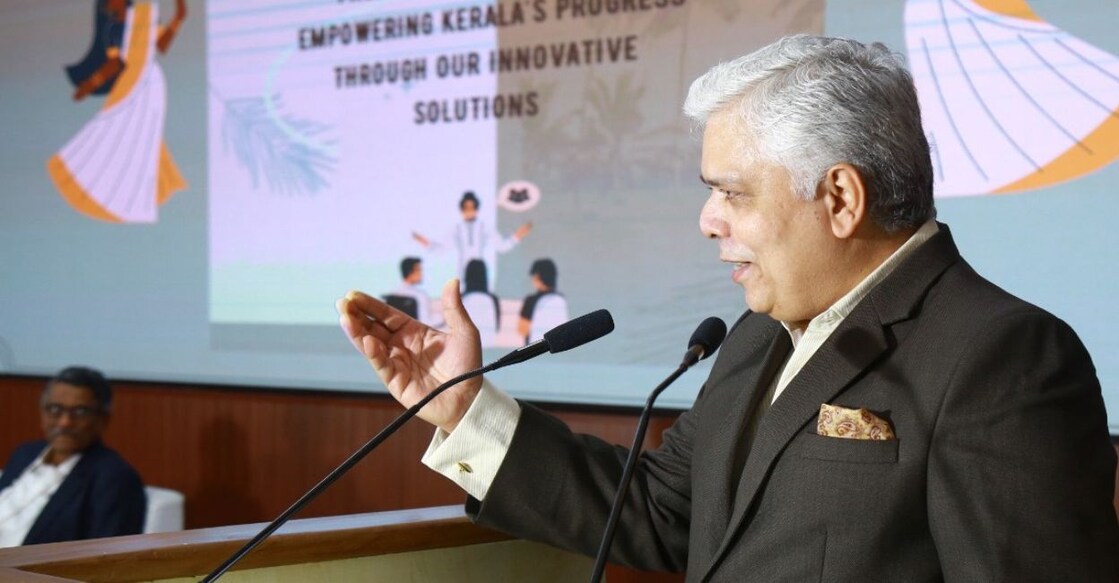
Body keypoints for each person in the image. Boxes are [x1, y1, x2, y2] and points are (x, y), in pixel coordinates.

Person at [337, 35, 1119, 581]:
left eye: (731, 192)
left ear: (839, 197)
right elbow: (661, 511)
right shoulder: (756, 335)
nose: (707, 220)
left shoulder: (1003, 356)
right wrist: (465, 407)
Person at [47, 0, 189, 224]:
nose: (109, 7)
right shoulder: (113, 29)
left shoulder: (146, 14)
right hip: (128, 83)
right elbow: (114, 65)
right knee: (114, 130)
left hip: (149, 84)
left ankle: (136, 195)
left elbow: (160, 46)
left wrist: (178, 18)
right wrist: (89, 85)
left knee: (140, 136)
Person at [0, 366, 145, 547]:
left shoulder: (115, 479)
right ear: (42, 411)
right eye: (55, 409)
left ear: (103, 419)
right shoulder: (24, 454)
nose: (65, 422)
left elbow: (108, 556)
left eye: (80, 412)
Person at [412, 191, 533, 283]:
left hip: (480, 273)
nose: (469, 211)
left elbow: (502, 247)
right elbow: (441, 250)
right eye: (466, 208)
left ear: (477, 209)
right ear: (461, 210)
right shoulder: (456, 228)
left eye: (472, 208)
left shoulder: (484, 227)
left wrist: (517, 236)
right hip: (463, 274)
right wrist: (424, 241)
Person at [516, 258, 566, 344]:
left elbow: (522, 330)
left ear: (537, 277)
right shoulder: (561, 299)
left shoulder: (532, 301)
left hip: (536, 348)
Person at [385, 257, 441, 328]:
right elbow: (426, 322)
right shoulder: (419, 296)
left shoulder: (392, 293)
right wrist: (442, 317)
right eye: (419, 270)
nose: (421, 274)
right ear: (410, 272)